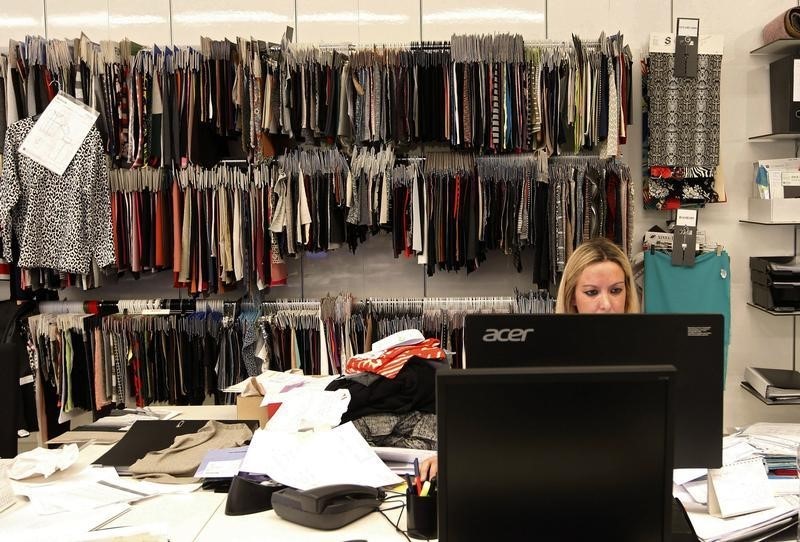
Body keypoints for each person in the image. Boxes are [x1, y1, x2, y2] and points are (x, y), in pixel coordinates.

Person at [418, 237, 638, 481]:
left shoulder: (646, 355)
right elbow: (504, 423)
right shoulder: (543, 352)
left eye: (616, 290)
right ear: (573, 296)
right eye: (592, 292)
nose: (606, 304)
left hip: (622, 480)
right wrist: (456, 453)